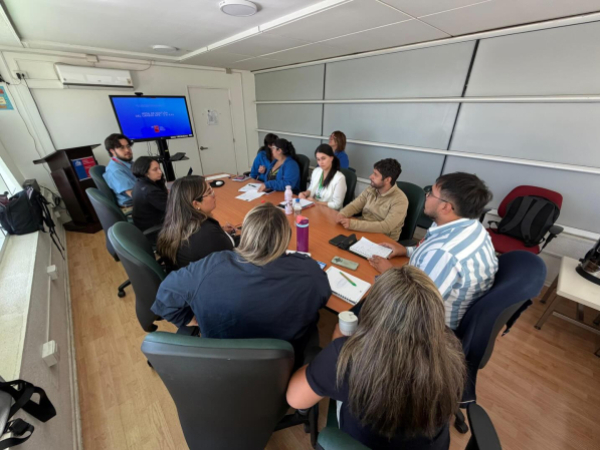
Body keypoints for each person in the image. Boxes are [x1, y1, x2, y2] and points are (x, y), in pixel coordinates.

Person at [286, 266, 466, 450]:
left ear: (372, 310)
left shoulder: (347, 357)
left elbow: (296, 399)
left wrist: (337, 344)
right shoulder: (452, 349)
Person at [152, 203, 331, 367]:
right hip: (284, 366)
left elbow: (165, 296)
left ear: (245, 234)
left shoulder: (210, 267)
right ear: (286, 237)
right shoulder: (308, 272)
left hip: (222, 365)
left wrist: (190, 320)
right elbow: (322, 297)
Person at [369, 172, 499, 330]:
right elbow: (428, 252)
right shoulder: (467, 225)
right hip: (422, 293)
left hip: (427, 326)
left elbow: (416, 306)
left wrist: (389, 272)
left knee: (361, 303)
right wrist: (405, 250)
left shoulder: (445, 253)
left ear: (445, 207)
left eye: (431, 193)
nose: (426, 195)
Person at [156, 175, 238, 270]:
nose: (214, 194)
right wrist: (244, 236)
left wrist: (221, 232)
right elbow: (230, 260)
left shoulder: (176, 223)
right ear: (195, 204)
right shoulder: (207, 233)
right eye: (209, 192)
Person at [336, 158, 408, 241]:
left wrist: (353, 224)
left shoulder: (400, 200)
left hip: (384, 238)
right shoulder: (371, 189)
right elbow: (355, 205)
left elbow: (386, 226)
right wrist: (342, 213)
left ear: (387, 180)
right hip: (364, 229)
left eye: (376, 175)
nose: (370, 176)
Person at [299, 144, 347, 210]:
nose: (320, 162)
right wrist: (306, 193)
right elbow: (311, 188)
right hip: (314, 208)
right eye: (318, 159)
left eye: (323, 158)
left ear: (331, 158)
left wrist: (316, 202)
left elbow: (337, 204)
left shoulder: (339, 178)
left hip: (329, 212)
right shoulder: (316, 171)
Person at [131, 157, 168, 236]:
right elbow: (173, 209)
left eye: (159, 168)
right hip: (155, 229)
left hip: (144, 224)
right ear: (145, 172)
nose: (160, 172)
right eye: (155, 170)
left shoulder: (140, 183)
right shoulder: (150, 191)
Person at [103, 133, 136, 208]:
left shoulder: (129, 163)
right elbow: (134, 194)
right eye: (122, 148)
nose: (127, 150)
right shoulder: (115, 170)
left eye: (128, 146)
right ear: (112, 151)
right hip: (132, 205)